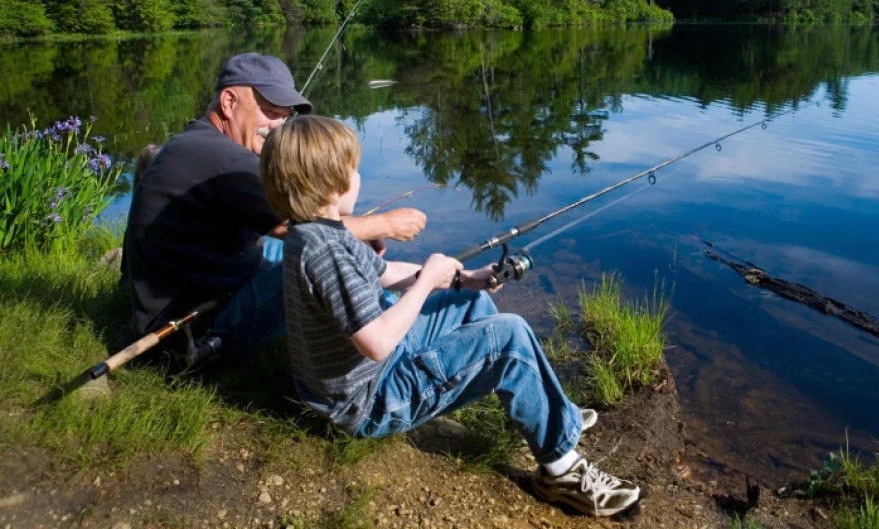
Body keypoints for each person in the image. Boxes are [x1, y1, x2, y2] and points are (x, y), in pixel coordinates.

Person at [259, 115, 643, 518]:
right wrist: (426, 282)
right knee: (508, 337)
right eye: (354, 169)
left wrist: (466, 279)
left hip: (355, 383)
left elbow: (387, 274)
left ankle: (551, 412)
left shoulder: (318, 232)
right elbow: (376, 343)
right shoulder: (326, 249)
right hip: (369, 401)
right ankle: (561, 473)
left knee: (471, 305)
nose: (359, 175)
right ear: (336, 185)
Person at [120, 52, 426, 365]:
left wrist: (353, 237)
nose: (278, 127)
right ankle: (398, 344)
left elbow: (304, 224)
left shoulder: (199, 141)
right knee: (320, 262)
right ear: (229, 102)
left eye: (284, 116)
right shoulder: (227, 160)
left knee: (321, 254)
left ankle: (395, 304)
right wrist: (384, 225)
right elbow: (307, 232)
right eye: (269, 112)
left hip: (193, 297)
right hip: (189, 334)